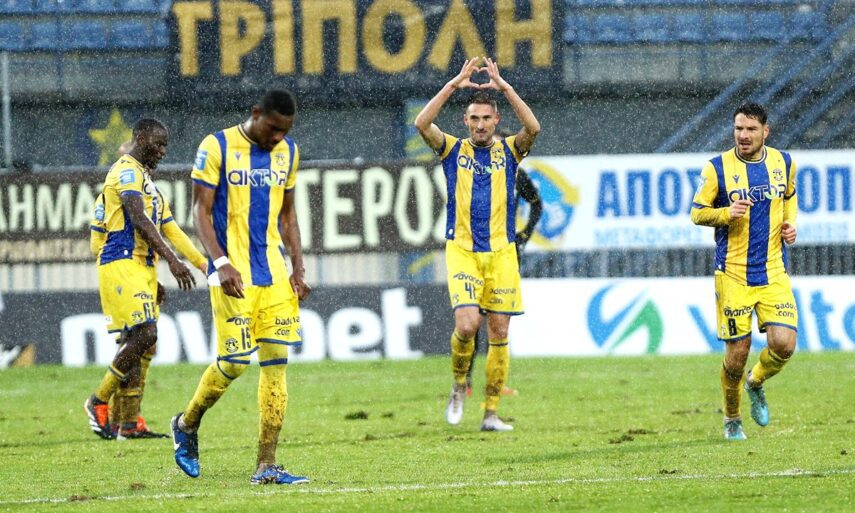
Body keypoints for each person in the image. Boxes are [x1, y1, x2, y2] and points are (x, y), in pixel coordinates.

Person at [171, 89, 311, 485]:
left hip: (274, 273)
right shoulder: (216, 146)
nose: (277, 138)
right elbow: (199, 210)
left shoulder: (288, 153)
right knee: (234, 363)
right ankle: (186, 423)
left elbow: (288, 215)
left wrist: (298, 267)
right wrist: (220, 262)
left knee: (276, 364)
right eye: (273, 129)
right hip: (231, 273)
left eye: (285, 131)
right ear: (255, 113)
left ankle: (266, 464)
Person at [414, 57, 541, 432]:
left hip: (502, 253)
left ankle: (490, 414)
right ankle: (458, 385)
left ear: (496, 121)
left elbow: (533, 127)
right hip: (463, 251)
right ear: (466, 121)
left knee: (499, 333)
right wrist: (453, 85)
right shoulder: (453, 150)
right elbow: (422, 123)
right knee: (468, 325)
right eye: (474, 119)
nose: (481, 124)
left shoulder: (510, 152)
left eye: (486, 118)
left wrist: (506, 88)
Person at [690, 102, 798, 441]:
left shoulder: (784, 163)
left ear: (766, 131)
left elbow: (789, 197)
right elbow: (697, 213)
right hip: (733, 274)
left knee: (784, 344)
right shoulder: (716, 168)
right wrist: (726, 213)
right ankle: (732, 418)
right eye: (739, 128)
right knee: (736, 356)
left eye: (751, 129)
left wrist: (790, 225)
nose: (744, 135)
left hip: (773, 271)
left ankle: (756, 381)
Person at [83, 119, 197, 440]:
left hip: (140, 271)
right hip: (121, 266)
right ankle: (99, 402)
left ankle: (129, 423)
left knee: (143, 342)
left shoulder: (151, 191)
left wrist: (154, 276)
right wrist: (170, 263)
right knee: (143, 336)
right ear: (139, 142)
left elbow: (167, 230)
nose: (161, 153)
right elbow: (100, 240)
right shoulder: (123, 177)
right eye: (157, 146)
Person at [464, 128, 543, 397]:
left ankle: (496, 383)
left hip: (505, 252)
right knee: (473, 320)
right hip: (476, 253)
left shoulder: (517, 176)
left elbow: (537, 204)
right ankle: (465, 382)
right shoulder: (472, 176)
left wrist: (524, 235)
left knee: (499, 323)